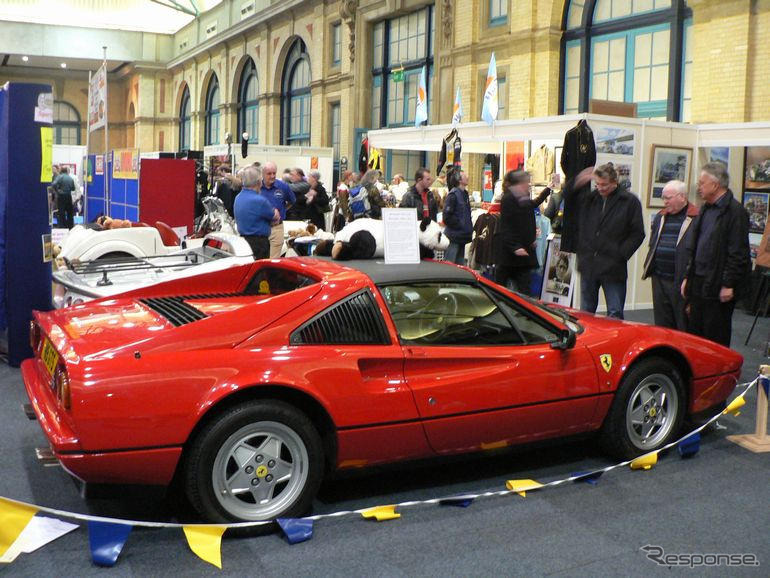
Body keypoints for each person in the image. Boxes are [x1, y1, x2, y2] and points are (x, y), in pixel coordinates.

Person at [681, 162, 751, 347]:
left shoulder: (736, 213)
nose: (699, 187)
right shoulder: (704, 209)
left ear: (715, 184)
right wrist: (688, 277)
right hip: (699, 282)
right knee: (694, 332)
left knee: (715, 335)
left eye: (702, 183)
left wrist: (728, 284)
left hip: (718, 283)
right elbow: (695, 247)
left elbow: (738, 252)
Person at [571, 163, 645, 319]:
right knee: (586, 312)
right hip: (589, 264)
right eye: (597, 184)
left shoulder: (629, 202)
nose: (600, 188)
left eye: (604, 185)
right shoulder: (590, 199)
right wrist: (577, 182)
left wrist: (621, 253)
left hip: (613, 266)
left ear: (614, 182)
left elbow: (638, 234)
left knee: (615, 311)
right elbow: (569, 201)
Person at [641, 180, 699, 330]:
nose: (665, 202)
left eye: (668, 198)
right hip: (659, 277)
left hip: (680, 280)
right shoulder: (661, 217)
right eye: (663, 198)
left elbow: (698, 251)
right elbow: (653, 243)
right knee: (662, 323)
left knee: (682, 323)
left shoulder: (696, 218)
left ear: (682, 197)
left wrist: (688, 276)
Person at [494, 170, 555, 295]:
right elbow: (507, 226)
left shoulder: (523, 197)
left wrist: (547, 189)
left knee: (524, 289)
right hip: (510, 254)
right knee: (501, 289)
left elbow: (533, 205)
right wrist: (515, 247)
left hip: (523, 253)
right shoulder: (509, 198)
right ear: (519, 183)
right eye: (527, 182)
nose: (529, 184)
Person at [233, 166, 278, 260]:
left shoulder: (238, 197)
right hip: (259, 244)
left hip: (243, 241)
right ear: (259, 182)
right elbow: (275, 217)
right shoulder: (260, 200)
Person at [260, 161, 296, 258]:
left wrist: (283, 209)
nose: (272, 176)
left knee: (273, 260)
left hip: (277, 228)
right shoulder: (256, 187)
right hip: (260, 227)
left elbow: (292, 201)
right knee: (260, 259)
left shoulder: (283, 186)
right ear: (262, 174)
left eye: (274, 173)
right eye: (269, 174)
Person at [442, 168, 473, 265]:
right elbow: (447, 217)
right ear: (459, 180)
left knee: (459, 266)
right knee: (449, 265)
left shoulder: (464, 194)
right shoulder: (453, 195)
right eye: (464, 175)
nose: (467, 177)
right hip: (453, 237)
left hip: (461, 236)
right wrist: (460, 225)